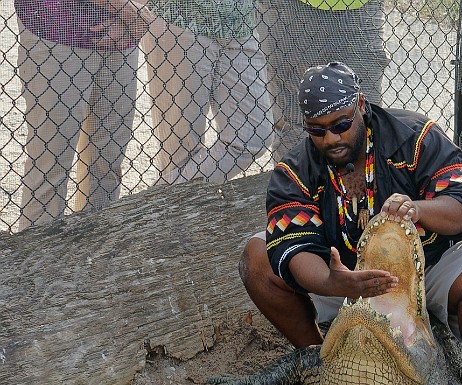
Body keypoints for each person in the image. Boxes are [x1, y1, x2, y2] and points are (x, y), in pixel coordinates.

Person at [240, 62, 462, 385]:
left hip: (426, 267)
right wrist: (333, 282)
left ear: (361, 105)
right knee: (256, 258)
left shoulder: (415, 137)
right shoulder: (294, 171)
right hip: (346, 279)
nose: (331, 139)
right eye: (317, 130)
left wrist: (418, 208)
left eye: (341, 125)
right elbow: (294, 248)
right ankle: (323, 365)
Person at [15, 0, 153, 230]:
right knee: (50, 170)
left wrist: (130, 16)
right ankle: (40, 250)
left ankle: (96, 248)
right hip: (55, 28)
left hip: (122, 34)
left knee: (107, 167)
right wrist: (123, 7)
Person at [141, 0, 273, 186]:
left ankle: (157, 197)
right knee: (179, 154)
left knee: (253, 136)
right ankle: (170, 199)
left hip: (241, 23)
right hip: (179, 19)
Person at [255, 0, 389, 161]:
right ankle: (296, 177)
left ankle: (366, 178)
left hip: (359, 10)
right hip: (288, 9)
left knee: (365, 122)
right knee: (294, 129)